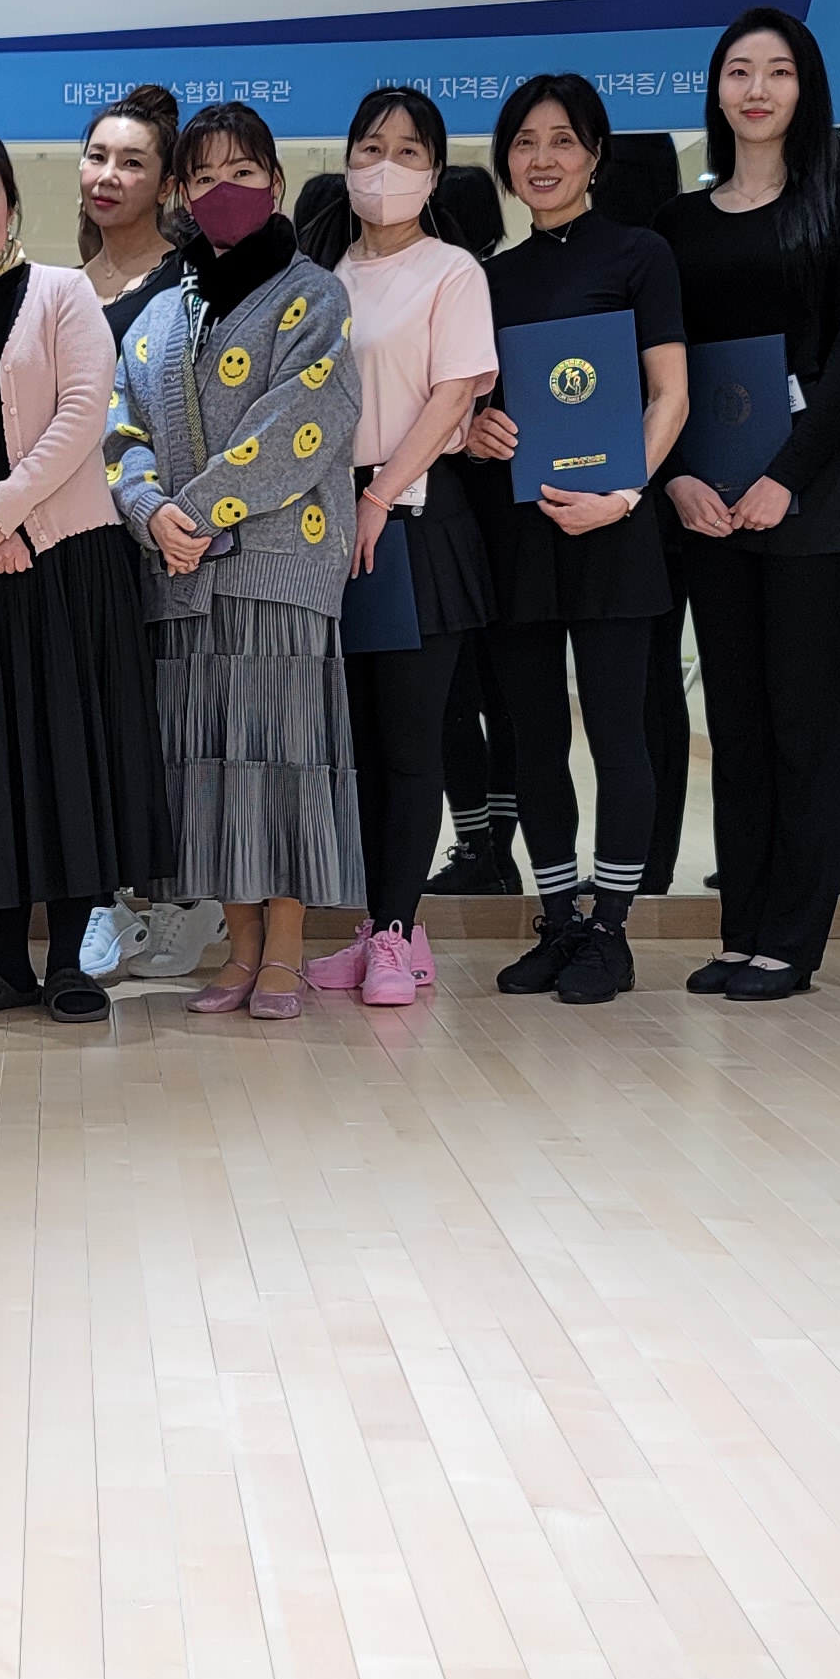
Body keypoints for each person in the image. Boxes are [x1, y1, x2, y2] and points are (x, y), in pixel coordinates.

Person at [0, 129, 175, 1020]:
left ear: (11, 205)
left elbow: (84, 413)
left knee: (68, 758)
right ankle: (6, 962)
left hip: (70, 565)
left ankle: (69, 965)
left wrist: (2, 512)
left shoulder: (63, 293)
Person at [109, 99, 362, 1018]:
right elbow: (120, 430)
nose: (225, 191)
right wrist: (150, 513)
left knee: (281, 760)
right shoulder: (155, 317)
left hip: (278, 568)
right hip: (180, 574)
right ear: (180, 192)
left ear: (276, 183)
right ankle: (240, 951)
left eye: (244, 173)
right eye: (206, 176)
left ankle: (286, 952)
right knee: (210, 774)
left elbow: (302, 423)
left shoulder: (315, 295)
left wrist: (196, 511)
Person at [661, 8, 840, 1001]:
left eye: (779, 71)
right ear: (716, 90)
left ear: (807, 88)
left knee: (803, 717)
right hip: (706, 503)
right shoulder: (679, 221)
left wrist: (784, 477)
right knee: (737, 722)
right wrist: (677, 476)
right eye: (739, 71)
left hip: (814, 496)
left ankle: (793, 939)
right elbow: (661, 369)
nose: (757, 89)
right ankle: (743, 927)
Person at [462, 72, 688, 1003]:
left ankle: (610, 930)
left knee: (619, 732)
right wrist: (475, 431)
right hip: (519, 531)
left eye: (562, 140)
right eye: (524, 142)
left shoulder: (640, 255)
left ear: (595, 154)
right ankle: (557, 921)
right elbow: (470, 402)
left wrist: (625, 494)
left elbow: (669, 394)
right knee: (532, 735)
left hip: (614, 529)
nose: (542, 159)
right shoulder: (488, 277)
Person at [285, 88, 500, 1009]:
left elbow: (454, 398)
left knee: (412, 742)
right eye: (371, 148)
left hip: (412, 521)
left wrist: (376, 496)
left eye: (409, 151)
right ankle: (372, 927)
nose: (386, 166)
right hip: (323, 524)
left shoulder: (452, 271)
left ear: (436, 172)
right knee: (359, 746)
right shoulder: (319, 272)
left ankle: (399, 934)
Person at [66, 84, 231, 986]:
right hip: (75, 535)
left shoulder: (193, 285)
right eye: (97, 157)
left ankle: (183, 899)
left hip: (166, 530)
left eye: (132, 163)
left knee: (168, 725)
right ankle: (102, 900)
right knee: (90, 721)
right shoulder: (57, 287)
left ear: (168, 185)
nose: (108, 175)